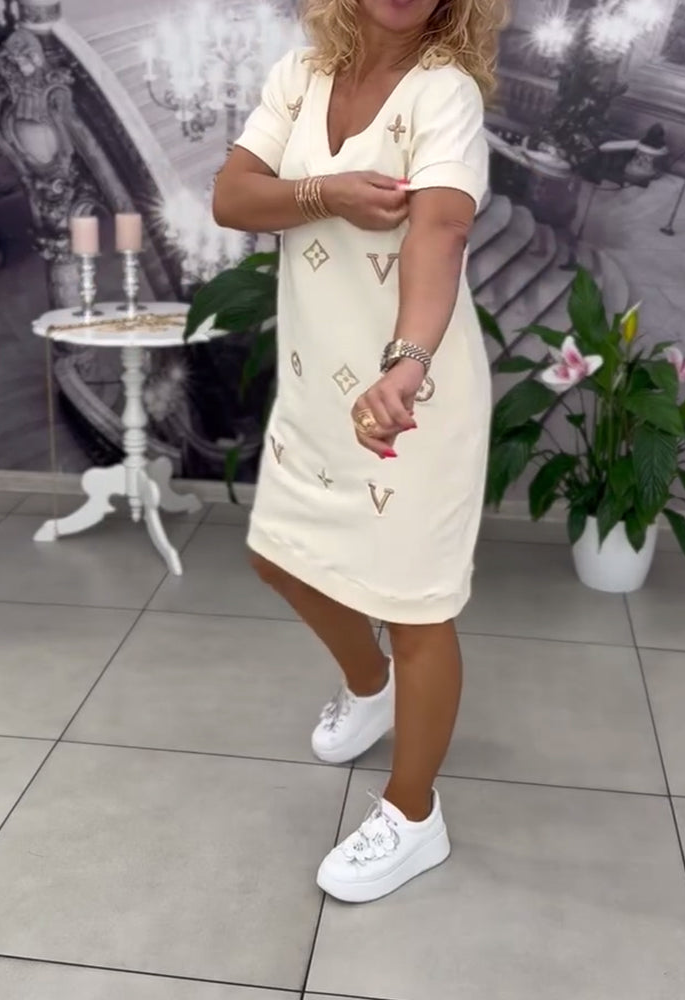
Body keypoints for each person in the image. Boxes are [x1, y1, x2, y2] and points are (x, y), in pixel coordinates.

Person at [213, 0, 504, 904]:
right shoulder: (300, 79)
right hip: (315, 385)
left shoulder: (444, 92)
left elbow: (440, 229)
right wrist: (326, 193)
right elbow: (231, 197)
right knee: (279, 558)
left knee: (416, 606)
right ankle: (369, 684)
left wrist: (406, 364)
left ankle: (414, 817)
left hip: (409, 395)